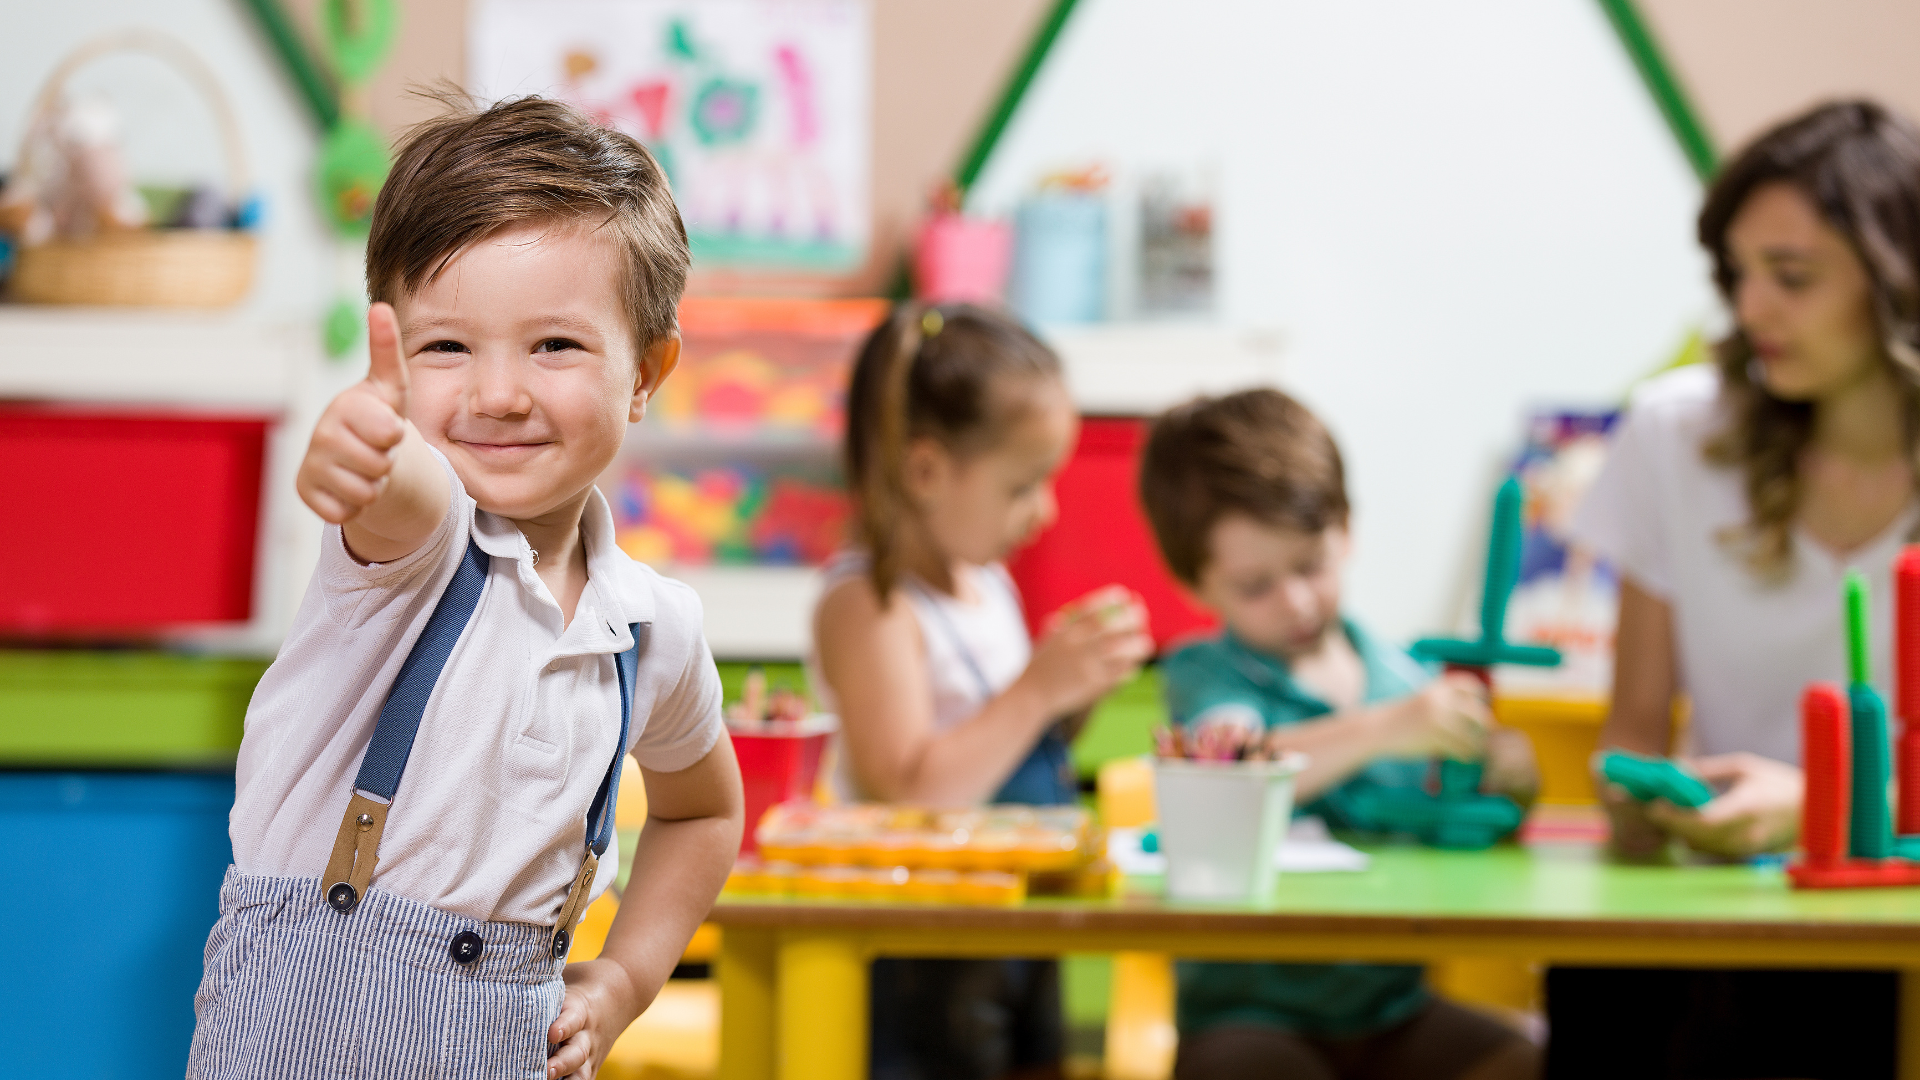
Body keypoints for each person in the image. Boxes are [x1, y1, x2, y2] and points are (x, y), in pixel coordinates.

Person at [188, 98, 744, 1080]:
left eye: (555, 346)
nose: (496, 394)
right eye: (446, 348)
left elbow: (702, 814)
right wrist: (361, 449)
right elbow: (400, 489)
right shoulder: (422, 543)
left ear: (647, 371)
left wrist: (625, 980)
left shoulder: (656, 630)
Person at [1546, 100, 1920, 1079]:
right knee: (1600, 982)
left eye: (1790, 276)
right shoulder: (1676, 438)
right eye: (1738, 275)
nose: (1752, 309)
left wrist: (1820, 810)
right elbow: (1631, 724)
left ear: (1899, 279)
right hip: (1736, 907)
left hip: (1896, 919)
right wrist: (1637, 795)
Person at [1137, 389, 1541, 1080]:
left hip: (1391, 1008)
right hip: (1246, 1016)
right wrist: (1384, 730)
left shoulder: (1402, 675)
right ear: (1195, 586)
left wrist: (1508, 780)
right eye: (1255, 584)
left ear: (1345, 531)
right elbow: (1228, 774)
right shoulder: (1208, 676)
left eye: (1308, 566)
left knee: (1521, 1059)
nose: (1295, 600)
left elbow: (1467, 828)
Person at [808, 303, 1153, 1080]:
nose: (1047, 511)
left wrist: (1073, 691)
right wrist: (1035, 690)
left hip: (1019, 915)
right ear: (926, 471)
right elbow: (910, 793)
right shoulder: (871, 604)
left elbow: (1013, 750)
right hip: (932, 941)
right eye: (1023, 486)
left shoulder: (986, 585)